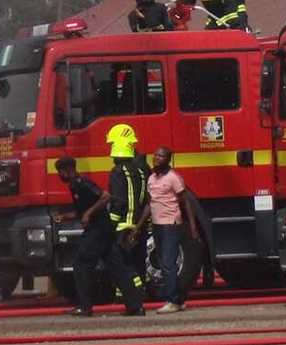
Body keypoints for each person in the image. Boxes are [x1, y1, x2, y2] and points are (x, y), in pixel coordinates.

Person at [129, 147, 199, 314]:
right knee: (164, 262)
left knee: (168, 264)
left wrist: (193, 226)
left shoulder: (173, 178)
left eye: (161, 156)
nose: (156, 158)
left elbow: (185, 202)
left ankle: (173, 301)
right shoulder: (151, 179)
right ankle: (179, 300)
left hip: (171, 224)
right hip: (157, 225)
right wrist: (137, 227)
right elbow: (149, 205)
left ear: (168, 159)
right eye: (155, 155)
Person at [54, 156, 112, 317]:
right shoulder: (74, 186)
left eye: (61, 172)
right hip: (97, 229)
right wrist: (65, 217)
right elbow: (81, 211)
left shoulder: (83, 183)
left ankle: (85, 306)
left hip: (99, 229)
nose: (60, 175)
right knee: (114, 264)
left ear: (69, 170)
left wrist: (89, 213)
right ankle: (134, 304)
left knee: (81, 265)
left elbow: (105, 196)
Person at [104, 123, 148, 316]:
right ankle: (134, 296)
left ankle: (134, 301)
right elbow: (144, 199)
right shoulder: (140, 170)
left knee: (122, 264)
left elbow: (119, 202)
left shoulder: (117, 172)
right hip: (138, 225)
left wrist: (111, 224)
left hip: (123, 226)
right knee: (135, 263)